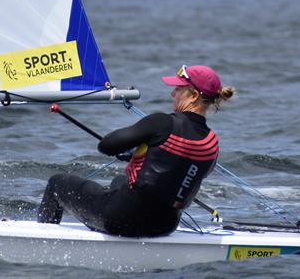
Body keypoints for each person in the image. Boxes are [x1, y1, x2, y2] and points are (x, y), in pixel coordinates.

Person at [38, 65, 235, 237]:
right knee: (119, 181)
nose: (172, 94)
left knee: (56, 183)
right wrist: (140, 154)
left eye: (178, 89)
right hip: (164, 226)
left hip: (121, 220)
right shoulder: (211, 143)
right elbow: (181, 168)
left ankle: (44, 242)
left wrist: (137, 148)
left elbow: (107, 146)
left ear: (192, 95)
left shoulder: (162, 122)